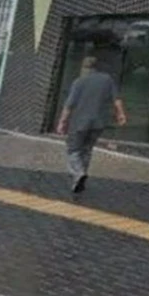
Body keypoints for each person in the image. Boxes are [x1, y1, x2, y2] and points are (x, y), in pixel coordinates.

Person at [55, 55, 127, 194]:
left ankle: (79, 173)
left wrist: (62, 122)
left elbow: (69, 105)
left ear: (84, 67)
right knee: (87, 149)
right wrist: (121, 114)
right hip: (99, 123)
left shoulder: (79, 82)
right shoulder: (107, 79)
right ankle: (79, 181)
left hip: (80, 122)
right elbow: (117, 99)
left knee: (73, 150)